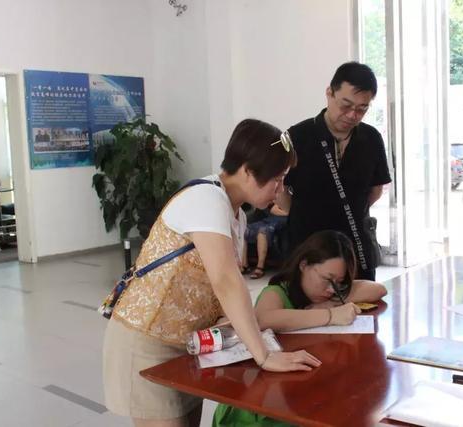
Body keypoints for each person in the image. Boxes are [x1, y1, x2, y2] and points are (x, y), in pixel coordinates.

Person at [103, 119, 321, 427]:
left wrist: (244, 333)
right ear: (247, 171)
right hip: (148, 343)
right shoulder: (206, 199)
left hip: (189, 342)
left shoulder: (236, 215)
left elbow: (222, 286)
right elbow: (225, 281)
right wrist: (264, 355)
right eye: (277, 178)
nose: (280, 189)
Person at [212, 230, 387, 426]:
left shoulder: (329, 295)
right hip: (258, 406)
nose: (331, 289)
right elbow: (263, 319)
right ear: (304, 265)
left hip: (303, 393)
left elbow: (378, 289)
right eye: (328, 279)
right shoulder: (277, 291)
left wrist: (335, 299)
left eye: (339, 283)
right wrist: (329, 315)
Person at [276, 62, 392, 281]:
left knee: (362, 301)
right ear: (329, 93)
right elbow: (278, 188)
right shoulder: (297, 136)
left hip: (355, 247)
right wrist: (304, 213)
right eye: (345, 105)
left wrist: (349, 209)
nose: (352, 115)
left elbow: (376, 190)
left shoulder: (371, 138)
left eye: (362, 109)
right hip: (307, 247)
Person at [241, 202, 288, 279]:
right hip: (268, 219)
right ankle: (244, 265)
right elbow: (273, 209)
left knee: (262, 231)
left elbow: (276, 210)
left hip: (280, 221)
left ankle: (260, 267)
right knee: (243, 229)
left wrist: (287, 213)